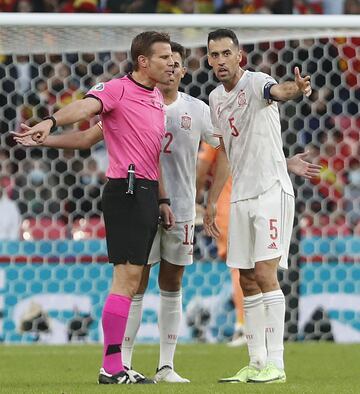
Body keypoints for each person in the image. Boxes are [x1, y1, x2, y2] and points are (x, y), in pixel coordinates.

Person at [14, 41, 219, 383]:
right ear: (144, 61)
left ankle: (120, 366)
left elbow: (150, 155)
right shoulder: (117, 89)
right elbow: (84, 109)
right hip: (126, 189)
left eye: (174, 59)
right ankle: (111, 367)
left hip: (149, 193)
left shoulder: (155, 99)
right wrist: (49, 123)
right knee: (127, 281)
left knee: (134, 279)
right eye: (164, 57)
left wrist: (163, 201)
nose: (171, 63)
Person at [204, 28, 312, 384]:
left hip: (270, 191)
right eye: (213, 55)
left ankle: (277, 365)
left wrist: (297, 88)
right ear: (208, 59)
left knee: (265, 275)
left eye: (225, 54)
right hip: (239, 197)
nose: (220, 60)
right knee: (246, 279)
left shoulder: (257, 82)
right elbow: (224, 155)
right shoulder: (215, 99)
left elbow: (278, 91)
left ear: (239, 56)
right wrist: (210, 200)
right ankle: (256, 361)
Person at [196, 142, 321, 347]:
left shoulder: (219, 127)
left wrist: (197, 197)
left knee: (243, 267)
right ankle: (256, 329)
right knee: (259, 267)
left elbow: (202, 166)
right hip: (261, 200)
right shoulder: (248, 121)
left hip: (232, 206)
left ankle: (245, 326)